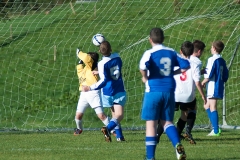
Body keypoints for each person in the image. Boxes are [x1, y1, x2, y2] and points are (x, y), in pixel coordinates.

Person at [139, 27, 189, 160]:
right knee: (167, 122)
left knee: (151, 124)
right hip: (169, 91)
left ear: (150, 40)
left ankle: (150, 157)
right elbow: (186, 65)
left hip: (153, 91)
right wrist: (174, 72)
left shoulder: (149, 53)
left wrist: (145, 77)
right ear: (164, 39)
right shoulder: (171, 52)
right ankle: (177, 144)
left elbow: (142, 66)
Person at [156, 40, 207, 144]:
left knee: (166, 115)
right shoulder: (197, 62)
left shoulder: (174, 59)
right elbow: (197, 82)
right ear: (193, 51)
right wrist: (203, 96)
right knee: (187, 112)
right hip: (188, 95)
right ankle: (181, 132)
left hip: (174, 93)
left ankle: (157, 135)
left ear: (180, 51)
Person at [82, 41, 127, 142]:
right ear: (111, 49)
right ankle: (107, 128)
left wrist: (90, 87)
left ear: (99, 50)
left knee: (115, 115)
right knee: (119, 115)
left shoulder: (101, 64)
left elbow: (103, 80)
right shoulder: (117, 56)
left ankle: (120, 137)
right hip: (118, 90)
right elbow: (111, 70)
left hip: (107, 92)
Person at [174, 41, 207, 145]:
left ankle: (159, 134)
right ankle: (187, 130)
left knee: (168, 114)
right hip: (187, 93)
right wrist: (203, 96)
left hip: (175, 91)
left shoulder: (178, 58)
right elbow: (196, 80)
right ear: (199, 51)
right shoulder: (196, 62)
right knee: (191, 110)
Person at [74, 49, 110, 135]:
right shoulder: (85, 68)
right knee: (78, 116)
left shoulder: (93, 66)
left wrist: (79, 53)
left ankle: (113, 129)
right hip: (83, 95)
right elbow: (80, 72)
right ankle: (79, 129)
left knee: (101, 115)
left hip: (93, 93)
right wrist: (80, 63)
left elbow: (86, 58)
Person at [202, 40, 229, 136]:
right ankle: (215, 127)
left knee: (212, 106)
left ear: (214, 48)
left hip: (213, 85)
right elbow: (226, 74)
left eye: (211, 47)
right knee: (206, 106)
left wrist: (203, 82)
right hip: (218, 85)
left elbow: (209, 73)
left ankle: (216, 130)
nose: (210, 49)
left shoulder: (212, 59)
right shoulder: (222, 60)